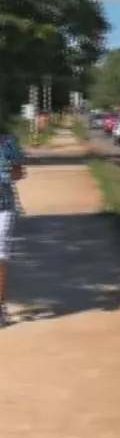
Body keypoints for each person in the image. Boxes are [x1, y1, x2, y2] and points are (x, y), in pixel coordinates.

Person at [0, 124, 26, 327]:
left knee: (1, 255)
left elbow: (19, 173)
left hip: (4, 207)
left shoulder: (7, 142)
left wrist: (9, 173)